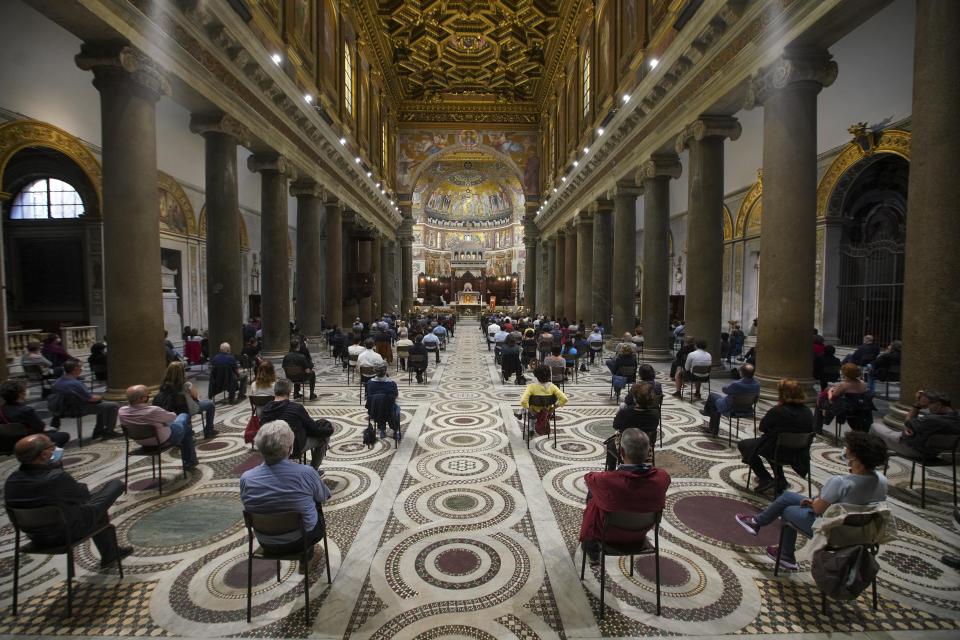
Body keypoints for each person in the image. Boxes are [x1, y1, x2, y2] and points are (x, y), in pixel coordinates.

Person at [735, 430, 888, 570]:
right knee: (788, 496)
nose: (844, 449)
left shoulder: (841, 482)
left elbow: (818, 510)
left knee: (787, 511)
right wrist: (815, 501)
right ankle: (756, 522)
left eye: (847, 446)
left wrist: (815, 502)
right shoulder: (881, 480)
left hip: (834, 529)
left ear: (855, 456)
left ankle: (785, 555)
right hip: (862, 531)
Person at [5, 433, 132, 567]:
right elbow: (83, 496)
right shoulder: (56, 477)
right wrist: (57, 469)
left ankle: (110, 553)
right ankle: (110, 553)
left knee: (95, 508)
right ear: (44, 455)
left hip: (36, 537)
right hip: (67, 532)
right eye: (51, 446)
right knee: (116, 485)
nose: (55, 448)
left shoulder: (12, 480)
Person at [240, 420, 332, 556]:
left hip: (265, 540)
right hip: (302, 539)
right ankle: (305, 556)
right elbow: (324, 496)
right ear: (290, 449)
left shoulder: (246, 478)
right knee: (314, 499)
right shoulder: (306, 473)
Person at [580, 429, 671, 564]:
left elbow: (588, 478)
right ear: (648, 452)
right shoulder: (662, 478)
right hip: (640, 533)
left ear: (621, 452)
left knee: (594, 494)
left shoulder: (607, 480)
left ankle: (592, 548)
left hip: (608, 534)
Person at [737, 379, 814, 493]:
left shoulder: (778, 411)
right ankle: (781, 480)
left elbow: (762, 427)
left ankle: (765, 478)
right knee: (771, 444)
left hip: (777, 450)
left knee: (745, 445)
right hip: (798, 453)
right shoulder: (808, 412)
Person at [119, 384, 199, 470]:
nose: (148, 396)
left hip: (140, 441)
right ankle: (190, 461)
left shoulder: (122, 411)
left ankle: (191, 460)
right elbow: (172, 417)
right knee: (184, 417)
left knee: (183, 427)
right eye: (147, 395)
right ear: (142, 398)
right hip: (164, 439)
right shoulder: (153, 410)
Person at [260, 380, 333, 470]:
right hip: (292, 447)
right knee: (324, 438)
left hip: (270, 447)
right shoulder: (296, 408)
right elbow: (313, 430)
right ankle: (314, 469)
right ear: (289, 392)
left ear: (275, 392)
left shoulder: (265, 409)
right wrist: (328, 431)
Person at [870, 389, 960, 456]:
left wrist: (917, 405)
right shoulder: (957, 416)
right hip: (935, 452)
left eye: (927, 405)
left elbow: (907, 422)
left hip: (914, 449)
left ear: (938, 404)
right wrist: (909, 428)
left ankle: (870, 458)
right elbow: (910, 426)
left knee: (874, 426)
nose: (927, 408)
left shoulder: (932, 419)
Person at [50, 359, 120, 439]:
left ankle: (99, 430)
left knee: (102, 405)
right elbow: (90, 399)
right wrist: (103, 396)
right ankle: (108, 432)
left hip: (61, 409)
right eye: (80, 367)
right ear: (76, 369)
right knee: (113, 405)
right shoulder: (75, 384)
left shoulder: (57, 382)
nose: (82, 369)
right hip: (76, 409)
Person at [156, 361, 217, 439]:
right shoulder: (186, 385)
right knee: (210, 404)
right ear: (182, 372)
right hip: (188, 409)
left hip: (172, 409)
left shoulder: (164, 385)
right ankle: (209, 430)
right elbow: (196, 396)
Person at [0, 380, 70, 447]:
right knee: (64, 435)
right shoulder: (26, 410)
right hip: (29, 439)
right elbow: (40, 428)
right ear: (20, 394)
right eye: (24, 390)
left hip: (11, 441)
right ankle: (47, 454)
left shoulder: (2, 409)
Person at [699, 364, 760, 436]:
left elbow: (725, 390)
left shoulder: (737, 384)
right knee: (715, 401)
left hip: (731, 408)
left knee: (712, 397)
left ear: (742, 373)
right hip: (747, 408)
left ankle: (709, 419)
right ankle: (709, 416)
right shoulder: (757, 384)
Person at [519, 364, 568, 434]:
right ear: (549, 375)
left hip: (534, 412)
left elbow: (523, 401)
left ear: (536, 375)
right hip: (547, 412)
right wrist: (553, 409)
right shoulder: (552, 386)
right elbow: (564, 399)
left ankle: (531, 429)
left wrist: (530, 409)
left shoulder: (531, 387)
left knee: (525, 409)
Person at [365, 365, 401, 438]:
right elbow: (395, 395)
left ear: (375, 372)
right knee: (395, 408)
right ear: (385, 372)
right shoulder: (391, 384)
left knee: (380, 405)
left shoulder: (370, 383)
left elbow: (368, 396)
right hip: (389, 411)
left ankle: (382, 428)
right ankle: (396, 430)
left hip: (374, 411)